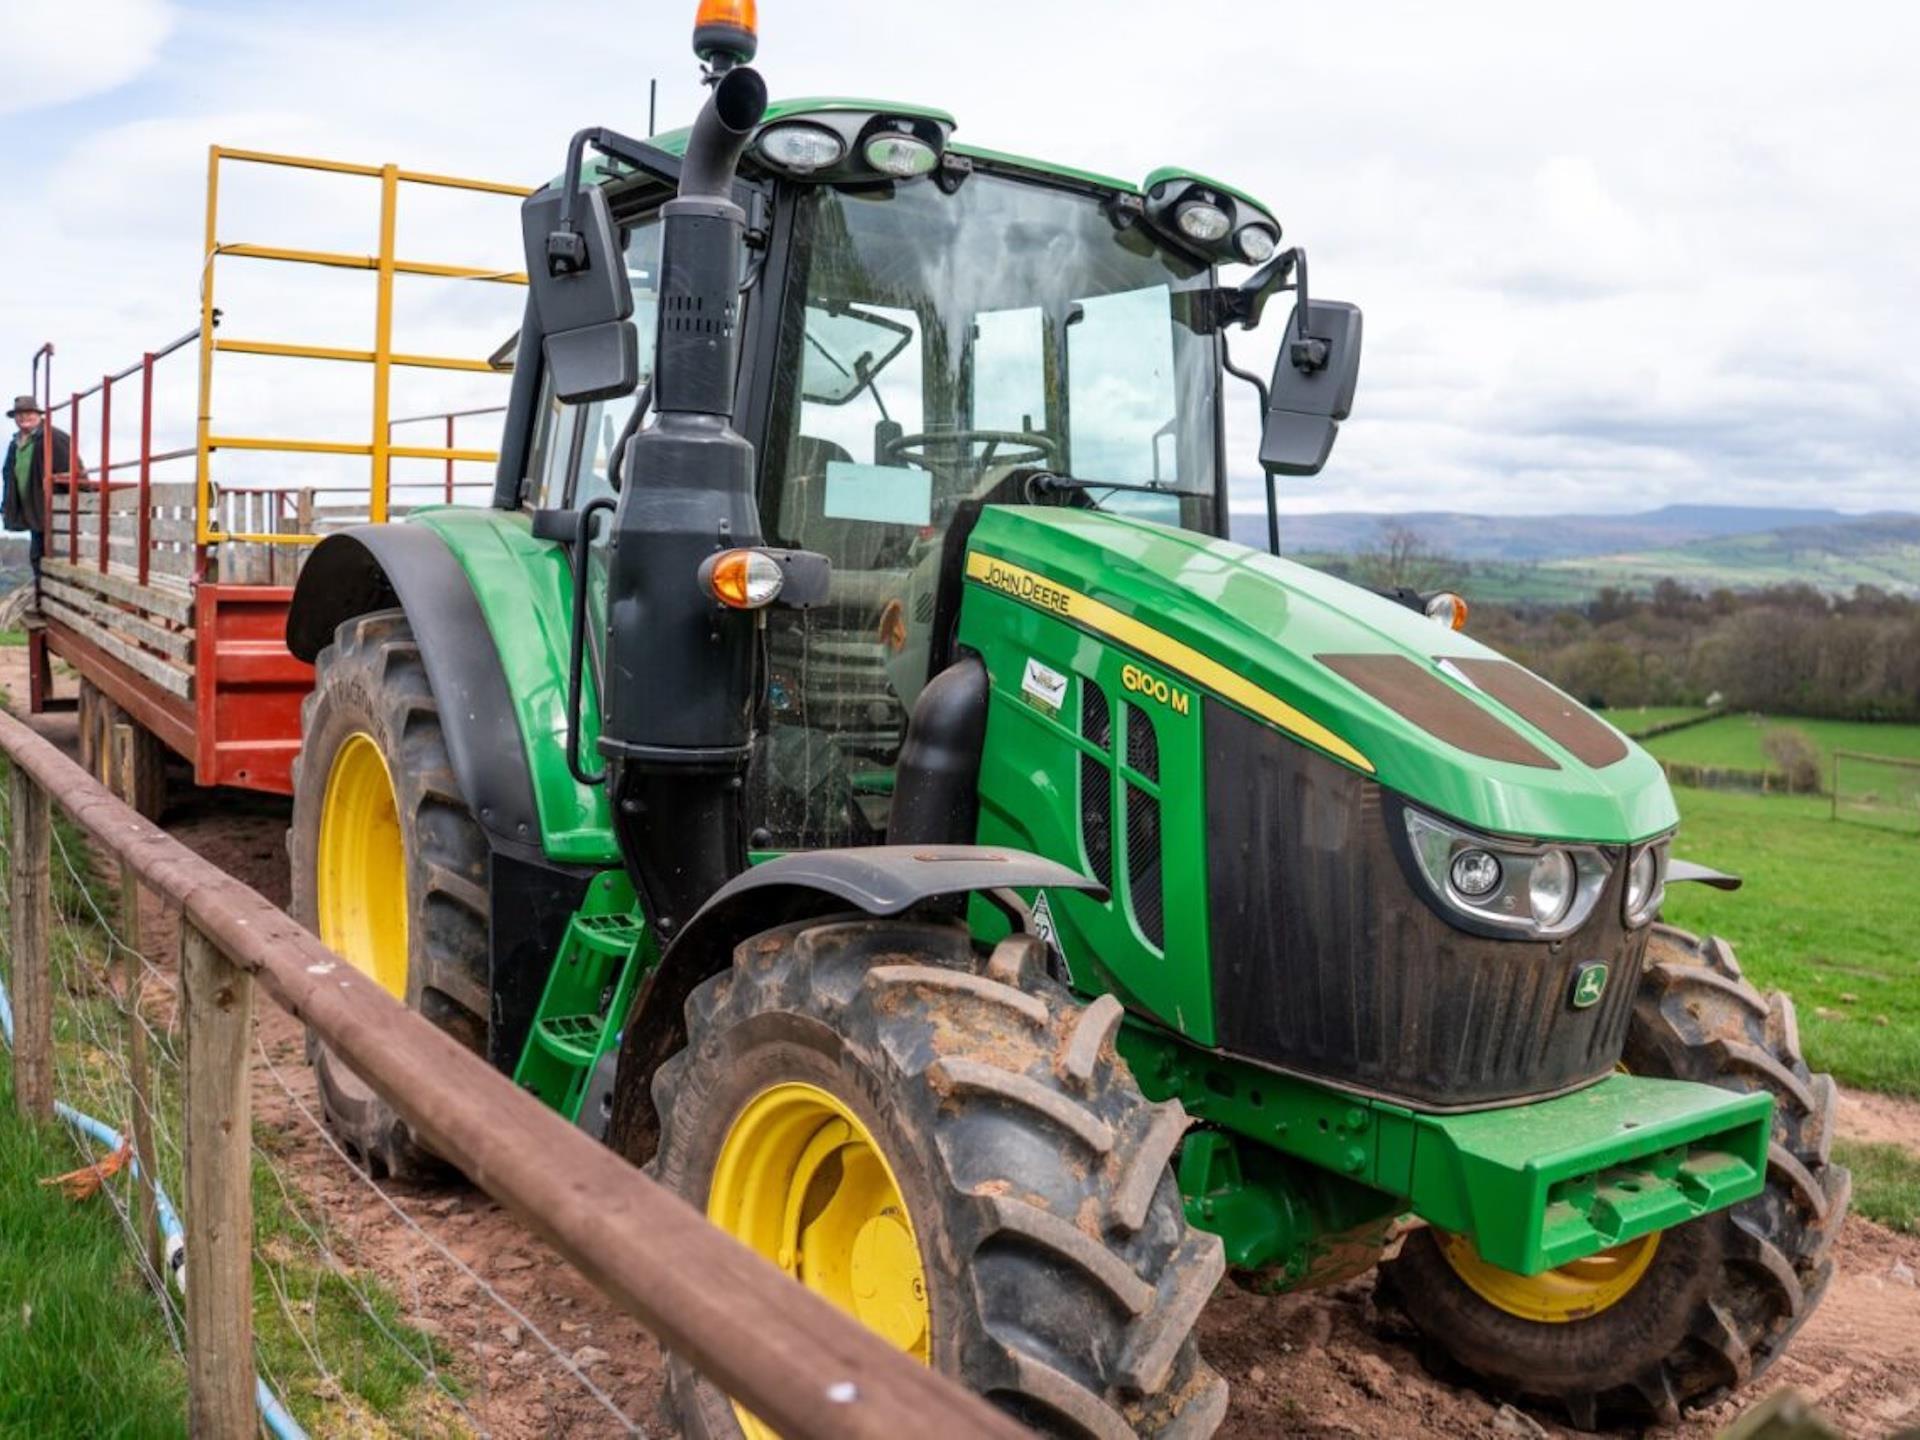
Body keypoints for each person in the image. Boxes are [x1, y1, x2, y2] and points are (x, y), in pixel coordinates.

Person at [3, 395, 78, 604]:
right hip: (34, 512)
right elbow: (9, 476)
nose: (24, 417)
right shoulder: (16, 443)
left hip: (56, 512)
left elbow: (75, 472)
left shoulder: (53, 438)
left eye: (28, 413)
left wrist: (80, 503)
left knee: (60, 559)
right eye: (19, 414)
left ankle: (66, 604)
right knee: (37, 557)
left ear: (38, 415)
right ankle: (44, 601)